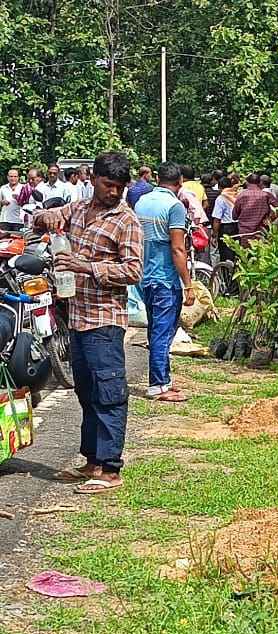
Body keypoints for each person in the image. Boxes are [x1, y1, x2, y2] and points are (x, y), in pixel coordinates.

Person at [33, 152, 143, 494]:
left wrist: (86, 267)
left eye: (120, 186)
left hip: (104, 319)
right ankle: (93, 461)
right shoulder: (79, 209)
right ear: (92, 179)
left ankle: (110, 469)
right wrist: (45, 217)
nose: (114, 192)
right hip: (77, 318)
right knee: (86, 391)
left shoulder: (126, 220)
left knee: (109, 393)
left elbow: (133, 271)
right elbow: (46, 217)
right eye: (108, 184)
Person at [135, 161, 195, 404]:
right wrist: (188, 284)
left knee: (156, 329)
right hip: (165, 280)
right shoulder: (174, 206)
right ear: (180, 182)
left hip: (144, 277)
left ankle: (164, 379)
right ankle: (158, 385)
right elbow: (178, 249)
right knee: (163, 331)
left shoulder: (142, 202)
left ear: (157, 179)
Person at [232, 173, 278, 247]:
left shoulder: (241, 195)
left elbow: (234, 216)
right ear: (259, 182)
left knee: (245, 253)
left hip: (245, 233)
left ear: (247, 182)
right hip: (261, 232)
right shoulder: (266, 195)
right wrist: (270, 219)